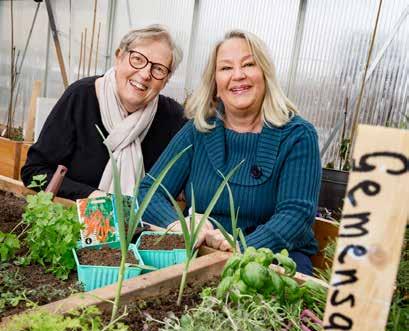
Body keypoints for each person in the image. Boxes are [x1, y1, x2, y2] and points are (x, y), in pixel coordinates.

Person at [138, 30, 322, 275]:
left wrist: (241, 248)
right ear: (215, 84)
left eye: (248, 64)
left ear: (265, 74)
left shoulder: (298, 136)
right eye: (226, 68)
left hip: (273, 260)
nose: (238, 75)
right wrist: (178, 225)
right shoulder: (199, 130)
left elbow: (296, 215)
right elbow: (150, 191)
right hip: (203, 253)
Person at [21, 25, 186, 200]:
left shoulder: (173, 118)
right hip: (71, 219)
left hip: (140, 226)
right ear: (119, 56)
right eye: (137, 59)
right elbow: (34, 171)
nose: (145, 74)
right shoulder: (81, 97)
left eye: (159, 69)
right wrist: (92, 196)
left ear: (166, 80)